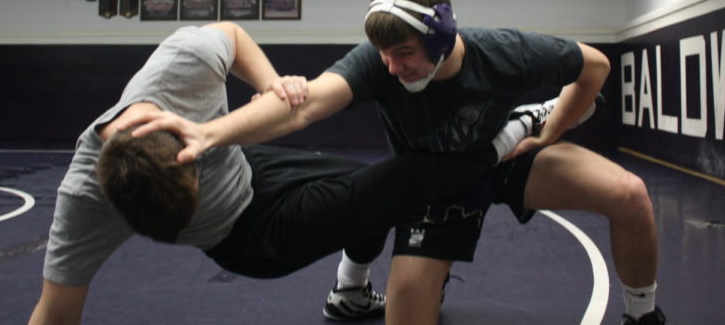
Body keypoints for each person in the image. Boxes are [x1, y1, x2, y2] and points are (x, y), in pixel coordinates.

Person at [132, 0, 665, 325]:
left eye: (404, 53)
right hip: (431, 185)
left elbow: (594, 66)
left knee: (630, 195)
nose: (390, 66)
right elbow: (307, 105)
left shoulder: (505, 53)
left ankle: (643, 315)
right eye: (382, 53)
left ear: (440, 38)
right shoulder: (376, 62)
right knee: (405, 309)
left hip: (505, 161)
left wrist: (550, 133)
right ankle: (352, 291)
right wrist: (211, 131)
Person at [28, 20, 540, 324]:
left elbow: (230, 33)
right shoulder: (85, 201)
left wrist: (275, 84)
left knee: (368, 195)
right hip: (249, 237)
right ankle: (510, 134)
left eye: (195, 179)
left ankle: (350, 294)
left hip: (252, 166)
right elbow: (54, 311)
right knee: (402, 182)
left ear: (176, 133)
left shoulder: (180, 67)